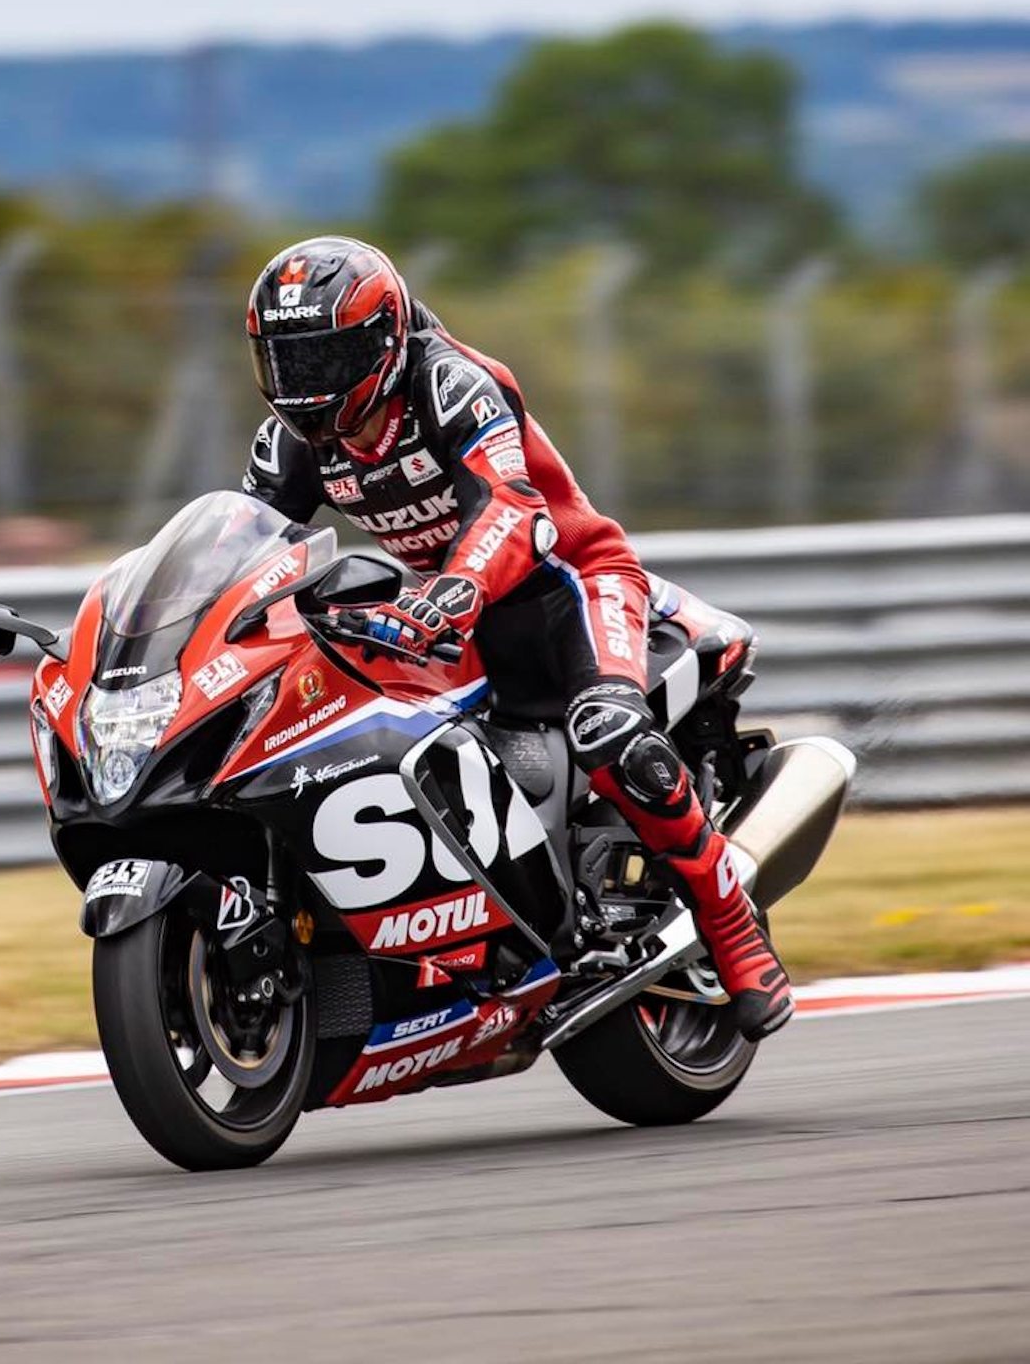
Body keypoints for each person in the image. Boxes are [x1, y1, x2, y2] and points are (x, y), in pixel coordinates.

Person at [241, 234, 793, 1040]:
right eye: (286, 363)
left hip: (571, 578)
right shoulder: (293, 442)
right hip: (448, 602)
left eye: (323, 361)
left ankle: (731, 926)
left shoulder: (451, 383)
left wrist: (452, 592)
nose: (304, 386)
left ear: (383, 342)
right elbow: (253, 545)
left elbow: (513, 507)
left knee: (607, 730)